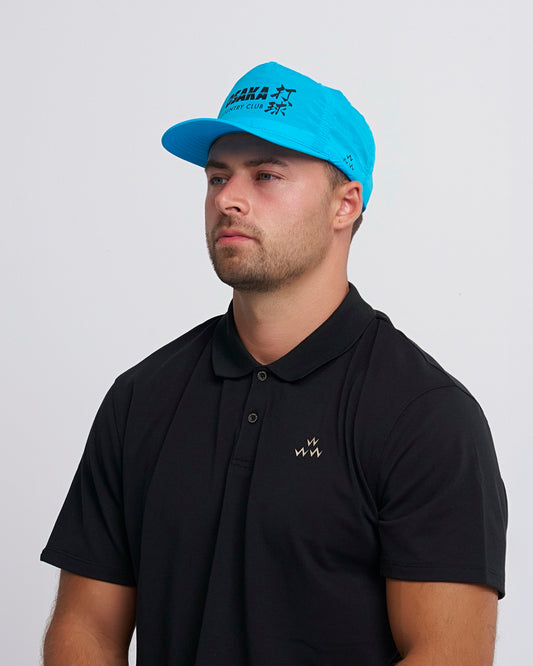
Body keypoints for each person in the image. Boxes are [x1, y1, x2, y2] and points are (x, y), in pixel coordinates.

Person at [41, 62, 507, 665]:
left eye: (265, 175)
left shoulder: (424, 416)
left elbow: (448, 654)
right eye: (217, 176)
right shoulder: (141, 399)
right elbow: (86, 629)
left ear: (345, 205)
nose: (227, 199)